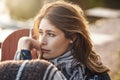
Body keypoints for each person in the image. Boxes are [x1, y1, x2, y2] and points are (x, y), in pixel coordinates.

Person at [14, 1, 111, 80]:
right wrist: (24, 46)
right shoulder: (36, 66)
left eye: (51, 34)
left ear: (72, 37)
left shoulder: (94, 75)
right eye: (41, 33)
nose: (42, 41)